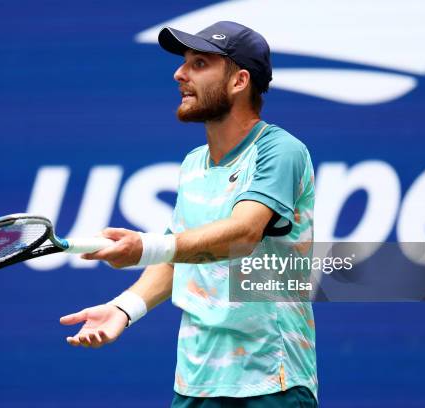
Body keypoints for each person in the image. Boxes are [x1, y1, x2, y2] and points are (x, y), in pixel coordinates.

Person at [60, 21, 317, 407]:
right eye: (184, 63)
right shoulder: (193, 164)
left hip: (269, 382)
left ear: (239, 81)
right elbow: (180, 256)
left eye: (200, 64)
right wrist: (123, 308)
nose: (179, 74)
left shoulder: (280, 151)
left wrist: (145, 247)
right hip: (195, 383)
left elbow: (243, 234)